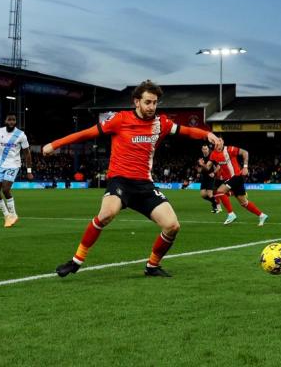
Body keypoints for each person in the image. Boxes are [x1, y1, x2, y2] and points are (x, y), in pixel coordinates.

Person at [44, 80, 222, 278]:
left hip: (144, 185)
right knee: (106, 214)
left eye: (155, 103)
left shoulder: (161, 123)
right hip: (120, 180)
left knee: (172, 226)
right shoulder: (120, 120)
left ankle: (152, 266)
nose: (151, 107)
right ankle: (76, 260)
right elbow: (87, 133)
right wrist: (54, 144)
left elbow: (186, 131)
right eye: (148, 102)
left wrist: (208, 135)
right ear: (136, 102)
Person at [208, 141, 268, 226]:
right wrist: (202, 165)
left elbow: (245, 152)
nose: (218, 143)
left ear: (223, 142)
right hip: (231, 179)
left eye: (220, 141)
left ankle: (231, 214)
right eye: (217, 141)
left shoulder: (229, 149)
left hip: (236, 176)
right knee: (244, 203)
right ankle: (262, 215)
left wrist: (245, 167)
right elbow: (208, 166)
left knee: (219, 191)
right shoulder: (213, 154)